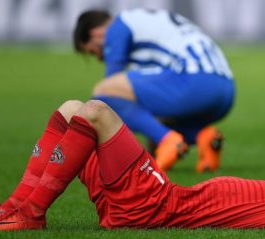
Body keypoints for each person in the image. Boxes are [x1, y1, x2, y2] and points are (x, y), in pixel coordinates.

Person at [0, 100, 265, 230]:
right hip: (148, 199)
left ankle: (32, 214)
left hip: (158, 202)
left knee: (94, 111)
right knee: (71, 109)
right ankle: (16, 206)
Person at [73, 8, 236, 172]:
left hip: (194, 81)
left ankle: (168, 141)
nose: (100, 59)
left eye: (93, 51)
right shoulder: (145, 23)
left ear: (96, 35)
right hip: (226, 90)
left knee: (104, 93)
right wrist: (152, 157)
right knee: (142, 109)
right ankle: (202, 136)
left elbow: (111, 88)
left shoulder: (117, 27)